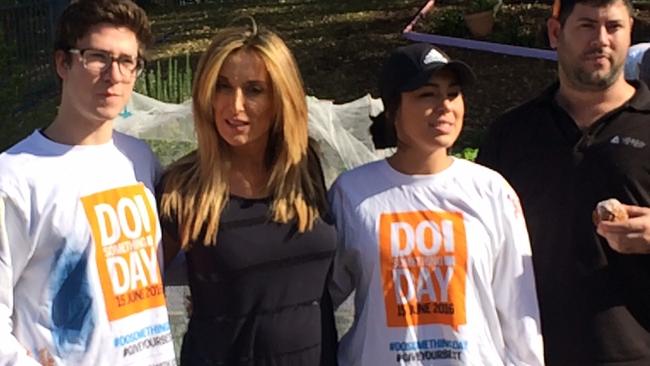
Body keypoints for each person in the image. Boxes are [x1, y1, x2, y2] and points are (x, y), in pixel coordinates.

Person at [328, 42, 544, 366]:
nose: (445, 106)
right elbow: (320, 298)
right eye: (427, 94)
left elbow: (518, 308)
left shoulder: (491, 190)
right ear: (393, 110)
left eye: (453, 93)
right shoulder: (352, 193)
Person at [0, 0, 177, 365]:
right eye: (97, 57)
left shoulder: (139, 159)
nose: (114, 75)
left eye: (127, 61)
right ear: (62, 63)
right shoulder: (15, 178)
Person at [477, 0, 650, 364]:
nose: (601, 40)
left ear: (630, 32)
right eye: (587, 25)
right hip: (531, 353)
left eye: (614, 27)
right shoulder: (512, 134)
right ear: (556, 33)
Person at [158, 22, 337, 366]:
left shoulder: (305, 168)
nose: (234, 105)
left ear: (281, 99)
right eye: (222, 87)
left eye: (254, 90)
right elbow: (133, 293)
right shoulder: (184, 188)